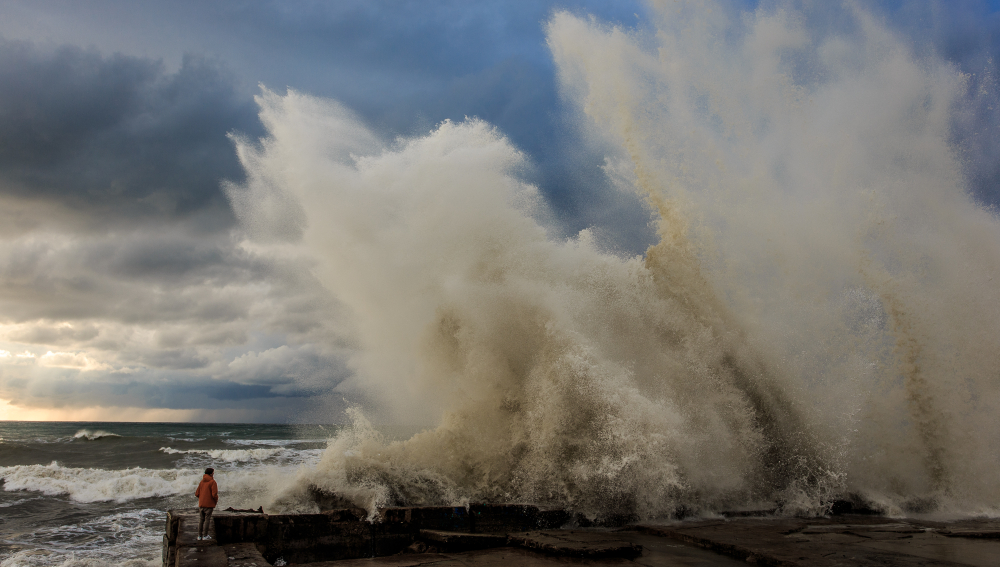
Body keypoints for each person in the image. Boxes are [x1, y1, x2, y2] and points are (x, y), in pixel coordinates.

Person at [195, 467, 219, 541]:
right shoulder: (212, 482)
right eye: (213, 473)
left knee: (201, 520)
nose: (213, 474)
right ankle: (205, 536)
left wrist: (202, 498)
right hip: (209, 504)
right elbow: (214, 494)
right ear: (211, 473)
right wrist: (215, 500)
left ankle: (199, 536)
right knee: (207, 520)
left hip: (201, 504)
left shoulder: (202, 482)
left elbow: (197, 493)